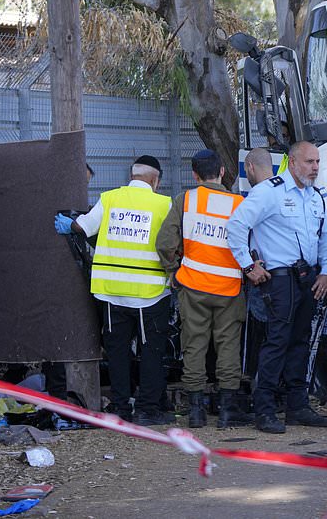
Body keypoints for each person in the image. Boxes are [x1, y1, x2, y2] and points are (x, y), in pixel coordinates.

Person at [54, 155, 174, 425]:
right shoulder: (164, 204)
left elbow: (81, 227)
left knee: (118, 353)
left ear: (131, 177)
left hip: (111, 292)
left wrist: (66, 224)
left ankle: (121, 408)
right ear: (155, 181)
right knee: (151, 352)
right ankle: (147, 410)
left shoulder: (109, 199)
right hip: (149, 294)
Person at [226, 142, 327, 434]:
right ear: (292, 162)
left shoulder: (315, 197)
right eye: (310, 161)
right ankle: (264, 409)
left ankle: (297, 405)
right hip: (280, 277)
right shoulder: (269, 192)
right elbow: (236, 226)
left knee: (301, 340)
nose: (315, 167)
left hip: (309, 277)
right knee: (278, 340)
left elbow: (325, 236)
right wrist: (249, 266)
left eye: (318, 162)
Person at [156, 150, 250, 429]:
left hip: (193, 287)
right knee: (228, 347)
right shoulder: (239, 203)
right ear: (222, 171)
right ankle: (226, 411)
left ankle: (196, 412)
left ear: (194, 175)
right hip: (229, 289)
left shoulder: (185, 200)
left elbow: (164, 242)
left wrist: (172, 270)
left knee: (194, 346)